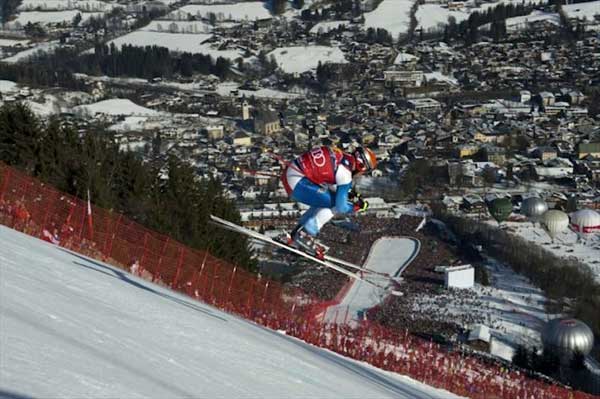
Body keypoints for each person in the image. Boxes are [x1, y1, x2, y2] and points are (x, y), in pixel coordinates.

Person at [281, 145, 377, 258]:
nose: (361, 175)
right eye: (364, 172)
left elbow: (330, 182)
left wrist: (347, 193)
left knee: (324, 200)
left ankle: (297, 233)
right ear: (361, 166)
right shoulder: (346, 174)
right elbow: (341, 207)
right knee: (333, 204)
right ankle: (305, 234)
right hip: (297, 183)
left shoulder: (339, 154)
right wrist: (355, 207)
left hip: (292, 173)